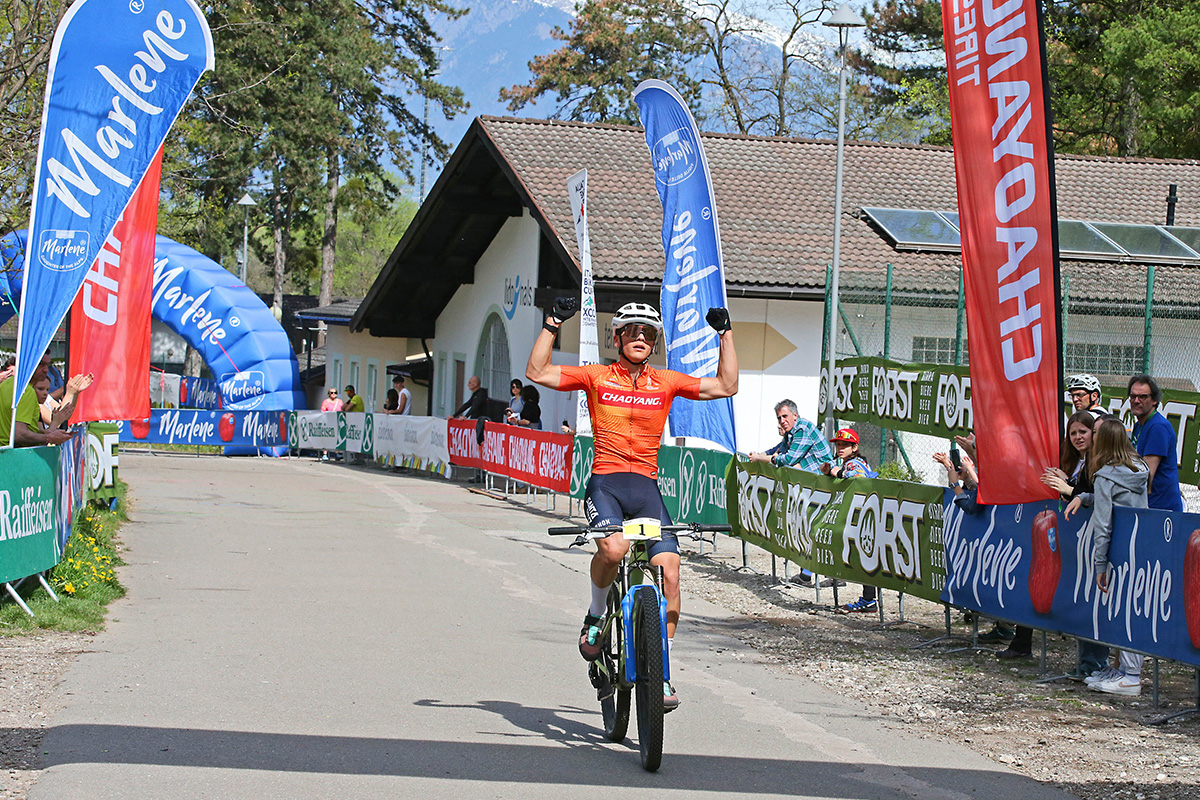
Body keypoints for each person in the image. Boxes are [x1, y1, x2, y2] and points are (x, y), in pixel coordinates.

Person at [525, 298, 738, 712]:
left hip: (646, 489)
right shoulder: (596, 376)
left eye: (648, 333)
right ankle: (595, 614)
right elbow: (537, 372)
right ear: (618, 337)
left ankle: (661, 671)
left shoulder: (667, 382)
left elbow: (726, 386)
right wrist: (552, 323)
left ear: (655, 341)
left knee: (671, 572)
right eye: (632, 331)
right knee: (615, 547)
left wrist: (725, 333)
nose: (640, 337)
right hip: (606, 484)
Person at [999, 413, 1102, 662]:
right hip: (1061, 533)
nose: (1078, 438)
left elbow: (1093, 497)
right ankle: (1022, 641)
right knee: (1037, 581)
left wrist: (1068, 487)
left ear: (1094, 434)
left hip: (1086, 537)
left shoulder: (1098, 463)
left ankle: (1092, 663)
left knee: (1083, 597)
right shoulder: (1071, 460)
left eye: (1083, 432)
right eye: (1073, 433)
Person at [1065, 417, 1150, 696]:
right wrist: (1086, 497)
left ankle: (1131, 675)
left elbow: (1103, 523)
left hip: (1118, 551)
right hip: (1141, 547)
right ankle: (1125, 670)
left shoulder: (1104, 476)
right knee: (1132, 609)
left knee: (1123, 611)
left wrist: (1100, 563)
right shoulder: (1139, 468)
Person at [747, 400, 833, 587]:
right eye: (779, 418)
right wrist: (760, 455)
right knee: (804, 528)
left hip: (822, 487)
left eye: (785, 416)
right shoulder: (791, 433)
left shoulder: (803, 429)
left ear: (795, 415)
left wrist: (762, 458)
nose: (782, 421)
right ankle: (806, 575)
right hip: (808, 488)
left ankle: (826, 575)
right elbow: (779, 451)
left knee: (816, 530)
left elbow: (789, 459)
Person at [819, 428, 877, 610]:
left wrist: (836, 472)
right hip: (860, 514)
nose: (841, 448)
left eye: (845, 445)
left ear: (855, 447)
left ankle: (870, 600)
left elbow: (859, 476)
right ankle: (869, 599)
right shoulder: (848, 462)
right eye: (838, 444)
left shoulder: (854, 463)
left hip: (867, 515)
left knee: (866, 556)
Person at [1127, 374, 1183, 512]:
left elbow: (1146, 475)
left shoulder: (1158, 427)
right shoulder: (1139, 425)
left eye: (1143, 397)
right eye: (1133, 396)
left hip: (1161, 509)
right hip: (1149, 505)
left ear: (1155, 400)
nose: (1136, 401)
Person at [0, 354, 74, 447]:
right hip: (19, 456)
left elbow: (33, 431)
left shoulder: (6, 384)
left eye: (47, 365)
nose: (46, 370)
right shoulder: (26, 391)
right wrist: (49, 437)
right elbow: (19, 435)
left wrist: (53, 427)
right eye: (41, 364)